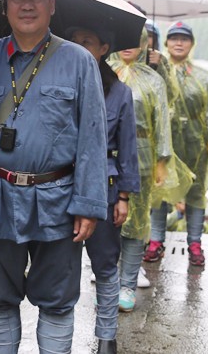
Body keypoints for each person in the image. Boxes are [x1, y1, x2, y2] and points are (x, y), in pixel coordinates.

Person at [0, 0, 108, 354]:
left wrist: (89, 205)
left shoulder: (78, 61)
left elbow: (93, 137)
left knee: (57, 299)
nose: (27, 5)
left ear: (52, 5)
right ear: (5, 8)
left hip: (58, 199)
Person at [68, 24, 140, 354]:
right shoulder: (58, 82)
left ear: (103, 48)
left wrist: (124, 196)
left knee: (106, 264)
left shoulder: (120, 92)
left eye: (87, 41)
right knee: (62, 266)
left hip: (105, 188)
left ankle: (107, 336)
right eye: (73, 41)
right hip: (63, 185)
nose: (79, 47)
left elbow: (128, 148)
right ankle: (60, 334)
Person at [145, 21, 208, 267]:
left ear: (192, 44)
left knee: (196, 193)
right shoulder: (156, 71)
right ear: (166, 42)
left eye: (184, 38)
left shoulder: (203, 77)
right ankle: (156, 241)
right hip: (164, 141)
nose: (179, 43)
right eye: (174, 38)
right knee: (161, 191)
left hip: (195, 145)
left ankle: (195, 244)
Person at [107, 27, 172, 314]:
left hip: (142, 157)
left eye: (135, 40)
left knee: (136, 224)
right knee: (107, 220)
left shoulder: (153, 80)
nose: (128, 45)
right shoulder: (104, 72)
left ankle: (128, 286)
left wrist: (162, 160)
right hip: (106, 156)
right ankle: (108, 283)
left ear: (145, 44)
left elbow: (162, 122)